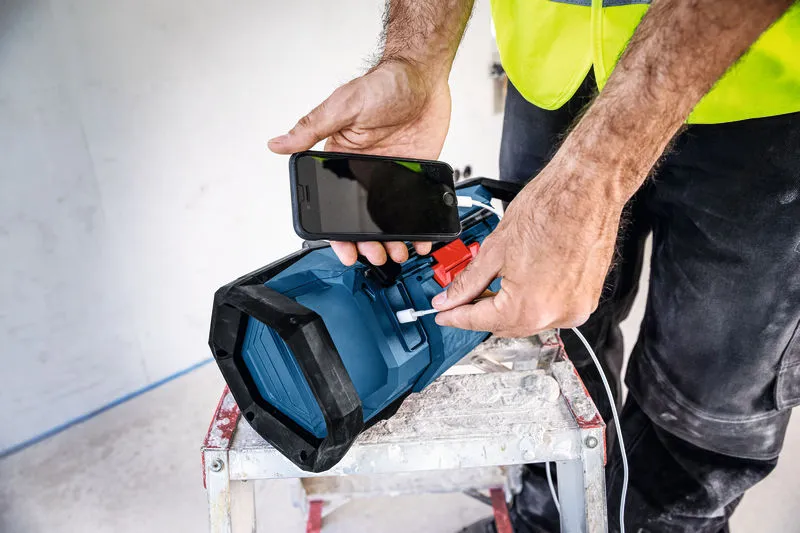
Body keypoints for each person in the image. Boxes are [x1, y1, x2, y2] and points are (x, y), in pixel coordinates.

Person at [269, 0, 800, 530]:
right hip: (556, 75)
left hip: (759, 99)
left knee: (707, 405)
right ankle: (543, 521)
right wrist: (413, 58)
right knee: (549, 345)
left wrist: (594, 172)